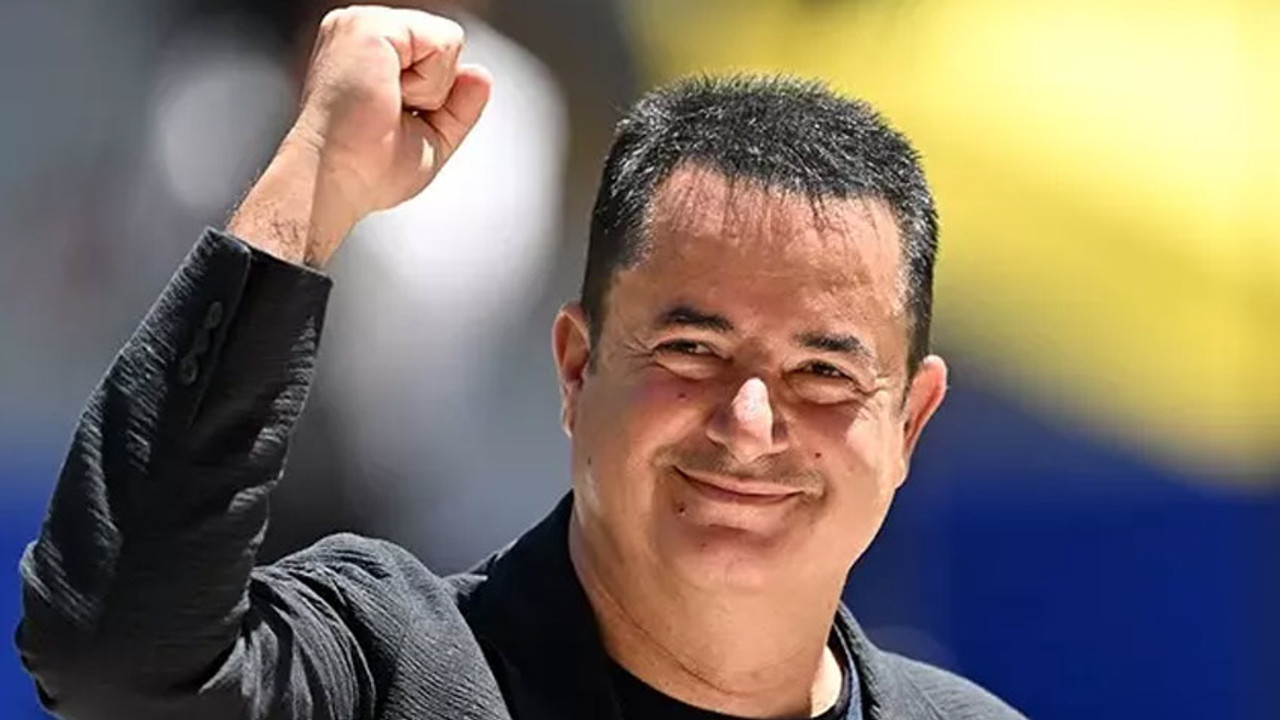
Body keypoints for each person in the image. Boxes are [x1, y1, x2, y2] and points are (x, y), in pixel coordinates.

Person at [15, 6, 1027, 719]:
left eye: (823, 373)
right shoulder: (393, 672)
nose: (749, 425)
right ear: (576, 367)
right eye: (691, 350)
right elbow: (114, 656)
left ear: (909, 421)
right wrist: (314, 182)